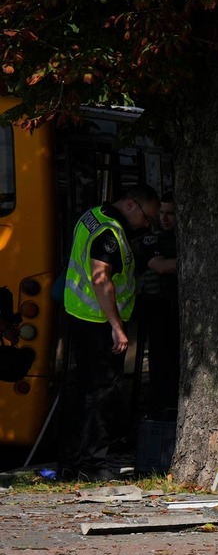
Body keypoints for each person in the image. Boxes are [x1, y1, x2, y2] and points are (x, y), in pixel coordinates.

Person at [59, 184, 159, 480]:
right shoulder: (110, 233)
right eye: (147, 216)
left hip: (79, 313)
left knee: (79, 392)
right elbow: (101, 277)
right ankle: (93, 466)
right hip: (99, 322)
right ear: (131, 204)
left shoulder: (92, 216)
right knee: (101, 395)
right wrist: (117, 327)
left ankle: (69, 463)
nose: (147, 223)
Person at [133, 193, 180, 417]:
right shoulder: (151, 239)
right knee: (161, 363)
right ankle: (161, 409)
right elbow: (160, 267)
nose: (165, 218)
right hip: (158, 308)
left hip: (177, 308)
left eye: (170, 213)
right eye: (161, 213)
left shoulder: (182, 238)